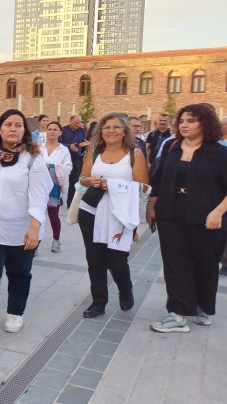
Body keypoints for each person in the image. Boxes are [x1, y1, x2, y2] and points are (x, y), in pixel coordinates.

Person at [147, 103, 227, 332]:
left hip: (208, 218)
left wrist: (219, 211)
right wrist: (151, 206)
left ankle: (203, 306)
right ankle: (178, 313)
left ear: (205, 123)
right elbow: (158, 177)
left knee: (205, 264)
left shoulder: (221, 153)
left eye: (191, 120)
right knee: (175, 264)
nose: (184, 125)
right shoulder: (171, 147)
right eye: (182, 120)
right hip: (171, 215)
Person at [0, 109, 52, 339]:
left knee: (19, 272)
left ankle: (15, 312)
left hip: (22, 227)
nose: (13, 129)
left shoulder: (33, 159)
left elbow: (39, 196)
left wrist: (34, 228)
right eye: (8, 124)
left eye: (18, 125)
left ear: (25, 130)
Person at [77, 113, 149, 319]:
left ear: (125, 131)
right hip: (91, 210)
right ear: (101, 131)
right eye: (107, 127)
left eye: (116, 127)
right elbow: (82, 180)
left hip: (120, 214)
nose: (111, 131)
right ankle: (99, 302)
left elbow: (144, 188)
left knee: (117, 260)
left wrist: (115, 186)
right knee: (95, 259)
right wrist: (89, 181)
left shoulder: (135, 155)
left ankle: (125, 291)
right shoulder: (94, 152)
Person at [41, 121, 73, 252]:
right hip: (39, 185)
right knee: (37, 215)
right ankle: (35, 242)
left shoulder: (63, 150)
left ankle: (56, 240)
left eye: (55, 129)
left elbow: (68, 167)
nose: (52, 131)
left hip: (54, 187)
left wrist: (53, 167)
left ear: (60, 132)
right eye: (50, 129)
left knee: (53, 216)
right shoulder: (39, 147)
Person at [60, 115, 89, 208]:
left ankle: (70, 202)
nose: (78, 125)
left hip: (75, 158)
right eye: (76, 123)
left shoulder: (82, 131)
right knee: (61, 179)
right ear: (70, 121)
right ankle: (58, 199)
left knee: (74, 181)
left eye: (79, 123)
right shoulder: (63, 130)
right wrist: (69, 146)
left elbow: (82, 143)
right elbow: (59, 143)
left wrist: (84, 145)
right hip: (63, 158)